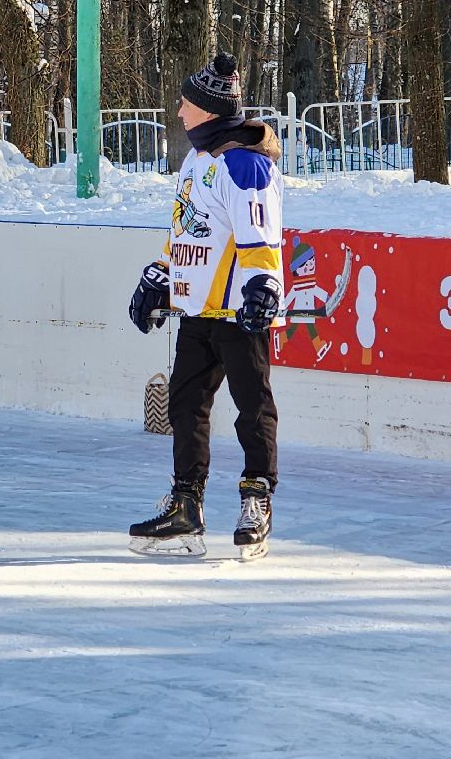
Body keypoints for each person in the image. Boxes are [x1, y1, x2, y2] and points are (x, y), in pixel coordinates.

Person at [127, 53, 284, 559]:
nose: (178, 112)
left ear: (208, 111)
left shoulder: (245, 162)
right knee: (185, 405)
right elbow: (186, 228)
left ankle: (257, 498)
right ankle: (186, 504)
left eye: (186, 104)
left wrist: (263, 285)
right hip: (196, 313)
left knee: (251, 408)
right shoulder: (196, 161)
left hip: (239, 314)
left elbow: (259, 234)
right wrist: (162, 275)